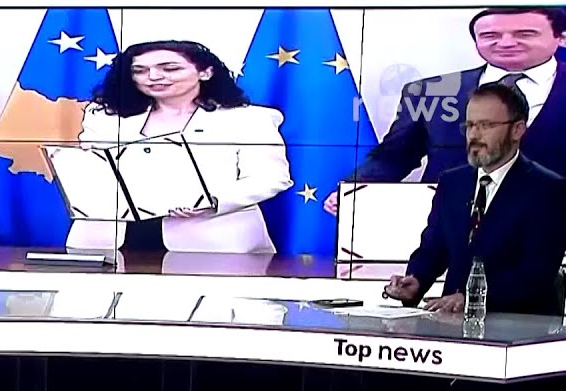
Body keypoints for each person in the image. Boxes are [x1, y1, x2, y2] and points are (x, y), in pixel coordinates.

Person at [325, 6, 566, 216]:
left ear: (561, 37)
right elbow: (395, 157)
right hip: (451, 230)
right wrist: (353, 190)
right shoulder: (428, 91)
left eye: (524, 34)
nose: (505, 43)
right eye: (490, 35)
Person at [70, 40, 292, 254]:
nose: (153, 76)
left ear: (205, 72)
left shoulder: (249, 119)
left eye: (170, 68)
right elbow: (91, 172)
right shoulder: (105, 116)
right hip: (112, 238)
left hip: (212, 241)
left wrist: (212, 201)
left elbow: (271, 178)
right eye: (140, 70)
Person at [384, 82, 566, 315]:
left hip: (518, 326)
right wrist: (417, 280)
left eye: (486, 125)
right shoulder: (452, 183)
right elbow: (434, 248)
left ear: (517, 130)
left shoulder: (547, 189)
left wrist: (470, 297)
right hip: (453, 324)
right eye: (470, 125)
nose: (474, 135)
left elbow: (535, 275)